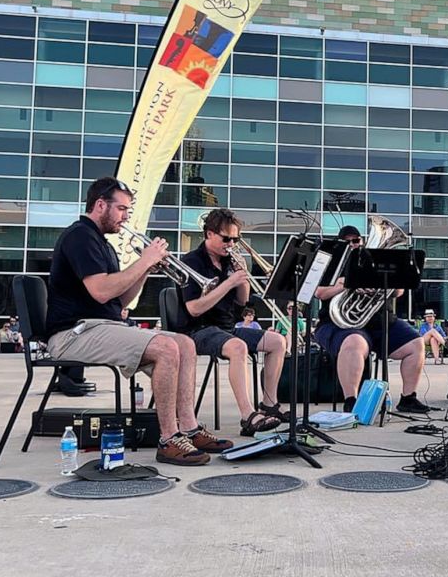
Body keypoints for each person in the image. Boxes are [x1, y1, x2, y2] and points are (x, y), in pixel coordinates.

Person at [46, 176, 231, 466]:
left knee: (184, 343)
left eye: (128, 211)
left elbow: (117, 300)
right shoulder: (80, 236)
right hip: (74, 332)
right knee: (166, 348)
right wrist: (144, 260)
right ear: (99, 205)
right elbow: (101, 289)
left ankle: (190, 428)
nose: (126, 217)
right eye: (122, 209)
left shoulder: (102, 243)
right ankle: (169, 439)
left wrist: (146, 269)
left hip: (103, 325)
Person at [180, 208, 289, 436]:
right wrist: (228, 283)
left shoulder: (229, 261)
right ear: (209, 234)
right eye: (226, 238)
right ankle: (248, 415)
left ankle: (270, 404)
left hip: (227, 328)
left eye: (235, 239)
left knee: (278, 341)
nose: (231, 244)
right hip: (199, 330)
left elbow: (241, 303)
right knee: (238, 347)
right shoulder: (191, 262)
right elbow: (193, 308)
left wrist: (243, 279)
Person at [314, 224, 431, 414]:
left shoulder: (376, 260)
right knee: (354, 343)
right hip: (340, 324)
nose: (352, 244)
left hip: (380, 321)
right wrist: (347, 285)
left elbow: (399, 292)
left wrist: (383, 282)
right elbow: (319, 293)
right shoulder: (331, 264)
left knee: (416, 343)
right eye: (347, 241)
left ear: (362, 241)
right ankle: (351, 401)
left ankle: (408, 398)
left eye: (356, 240)